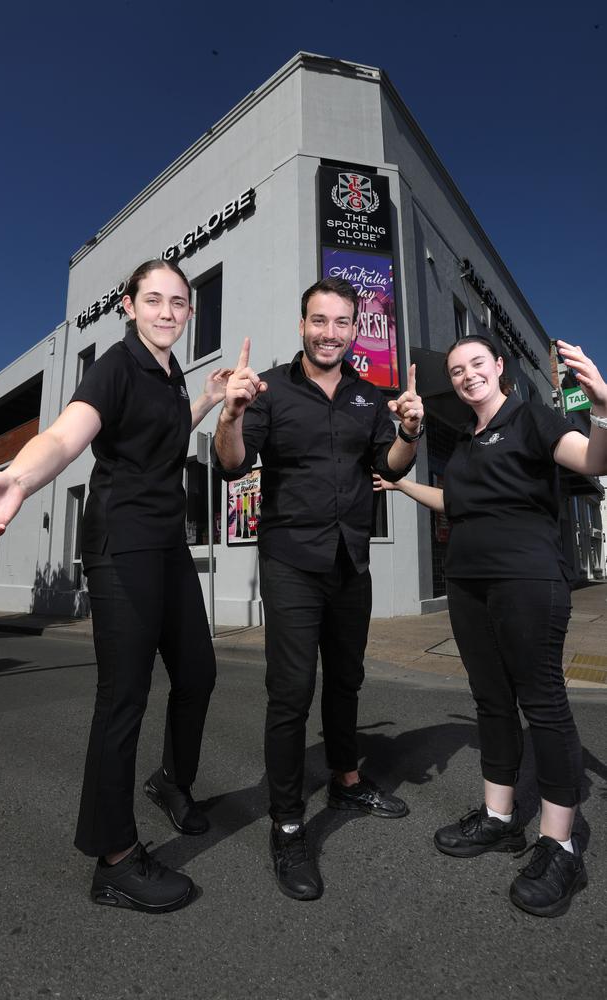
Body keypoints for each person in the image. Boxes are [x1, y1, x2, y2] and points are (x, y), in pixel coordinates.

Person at [0, 258, 235, 914]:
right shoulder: (115, 365)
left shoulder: (170, 376)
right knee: (125, 696)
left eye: (178, 302)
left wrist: (209, 398)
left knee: (197, 673)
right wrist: (19, 480)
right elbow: (65, 433)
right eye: (154, 300)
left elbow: (165, 437)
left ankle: (171, 782)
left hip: (168, 545)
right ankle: (113, 859)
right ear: (129, 306)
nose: (167, 312)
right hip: (122, 546)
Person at [375, 334, 607, 917]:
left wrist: (600, 405)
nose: (467, 375)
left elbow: (594, 461)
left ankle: (560, 845)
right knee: (492, 702)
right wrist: (399, 484)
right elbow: (454, 501)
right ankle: (500, 818)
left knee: (542, 701)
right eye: (456, 371)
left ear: (500, 367)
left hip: (526, 579)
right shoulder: (469, 444)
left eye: (477, 363)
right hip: (468, 584)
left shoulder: (532, 417)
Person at [212, 277, 424, 901]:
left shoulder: (369, 396)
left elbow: (390, 467)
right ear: (302, 325)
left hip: (348, 560)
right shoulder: (270, 390)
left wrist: (410, 431)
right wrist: (231, 414)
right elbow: (231, 465)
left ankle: (347, 778)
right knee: (291, 690)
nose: (330, 332)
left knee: (349, 678)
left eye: (341, 322)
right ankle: (286, 823)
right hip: (291, 560)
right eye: (318, 320)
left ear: (355, 330)